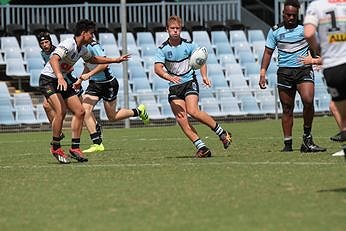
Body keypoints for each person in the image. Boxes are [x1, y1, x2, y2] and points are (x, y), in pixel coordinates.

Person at [39, 19, 130, 164]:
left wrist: (115, 60)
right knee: (61, 111)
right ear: (83, 33)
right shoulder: (68, 44)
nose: (93, 37)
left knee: (80, 111)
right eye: (91, 34)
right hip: (48, 80)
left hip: (61, 80)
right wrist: (60, 77)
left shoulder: (82, 49)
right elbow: (54, 60)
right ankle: (55, 147)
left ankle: (75, 148)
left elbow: (93, 59)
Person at [154, 15, 232, 158]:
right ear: (167, 30)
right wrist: (168, 76)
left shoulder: (189, 45)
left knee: (193, 111)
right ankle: (202, 148)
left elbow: (201, 60)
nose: (175, 31)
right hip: (174, 86)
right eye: (172, 28)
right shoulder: (162, 49)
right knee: (181, 118)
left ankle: (222, 133)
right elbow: (158, 69)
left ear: (181, 29)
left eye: (178, 28)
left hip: (189, 82)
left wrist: (204, 76)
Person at [259, 0, 326, 153]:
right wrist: (263, 71)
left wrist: (317, 59)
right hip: (284, 72)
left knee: (308, 100)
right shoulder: (275, 31)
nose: (291, 18)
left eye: (294, 15)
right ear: (283, 13)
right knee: (287, 108)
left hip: (303, 70)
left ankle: (307, 139)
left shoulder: (305, 29)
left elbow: (318, 47)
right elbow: (268, 52)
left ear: (298, 15)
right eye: (288, 15)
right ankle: (288, 144)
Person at [73, 40, 149, 153]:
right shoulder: (82, 47)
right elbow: (88, 65)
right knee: (84, 110)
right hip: (94, 84)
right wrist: (79, 80)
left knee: (112, 117)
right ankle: (97, 143)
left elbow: (104, 64)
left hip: (108, 83)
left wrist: (88, 75)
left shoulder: (94, 46)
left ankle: (138, 111)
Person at [304, 0, 346, 157]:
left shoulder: (317, 6)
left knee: (336, 107)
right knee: (334, 107)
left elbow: (308, 33)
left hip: (334, 67)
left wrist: (318, 51)